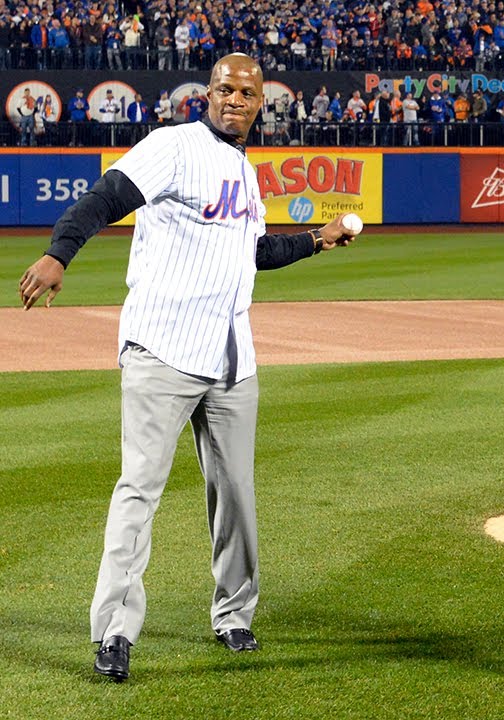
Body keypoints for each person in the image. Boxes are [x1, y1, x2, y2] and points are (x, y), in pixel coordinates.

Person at [16, 53, 359, 684]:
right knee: (139, 492)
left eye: (246, 93)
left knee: (235, 495)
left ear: (261, 104)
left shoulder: (247, 175)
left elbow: (253, 251)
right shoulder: (172, 146)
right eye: (225, 89)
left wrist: (318, 239)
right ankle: (114, 633)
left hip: (232, 358)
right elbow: (105, 197)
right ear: (207, 94)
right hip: (163, 349)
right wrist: (59, 253)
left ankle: (234, 615)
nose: (235, 99)